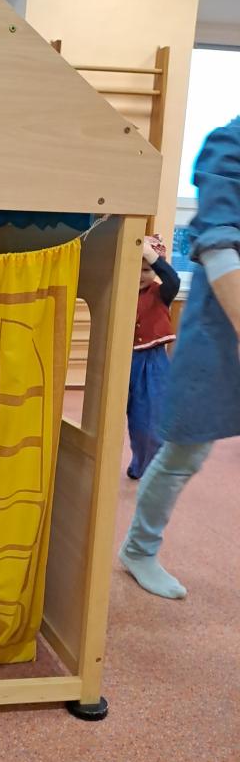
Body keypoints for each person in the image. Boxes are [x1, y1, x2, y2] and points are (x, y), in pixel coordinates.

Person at [119, 116, 240, 598]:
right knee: (182, 450)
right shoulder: (229, 144)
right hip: (214, 337)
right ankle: (140, 548)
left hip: (163, 353)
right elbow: (218, 244)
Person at [126, 234, 181, 480]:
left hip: (152, 362)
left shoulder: (162, 292)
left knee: (148, 421)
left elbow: (173, 278)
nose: (140, 275)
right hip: (122, 360)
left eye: (146, 270)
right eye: (135, 269)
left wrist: (151, 256)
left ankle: (148, 465)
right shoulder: (121, 292)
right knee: (113, 420)